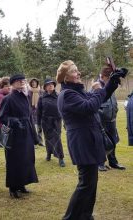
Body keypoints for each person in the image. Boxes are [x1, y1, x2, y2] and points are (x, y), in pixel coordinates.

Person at [56, 60, 126, 220]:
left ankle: (85, 215)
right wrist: (98, 90)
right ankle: (70, 217)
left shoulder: (76, 92)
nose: (78, 73)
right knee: (86, 183)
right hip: (82, 142)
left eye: (77, 70)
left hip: (88, 141)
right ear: (66, 78)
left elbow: (99, 98)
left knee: (90, 183)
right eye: (74, 71)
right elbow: (90, 106)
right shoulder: (67, 95)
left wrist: (113, 79)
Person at [0, 74, 38, 199]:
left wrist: (34, 133)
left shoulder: (26, 97)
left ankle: (22, 184)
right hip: (14, 135)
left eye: (23, 80)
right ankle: (13, 187)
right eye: (19, 81)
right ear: (12, 83)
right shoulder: (8, 98)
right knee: (14, 160)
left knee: (26, 159)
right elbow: (2, 117)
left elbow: (30, 116)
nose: (22, 82)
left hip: (26, 132)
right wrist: (14, 121)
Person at [97, 68, 125, 171]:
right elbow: (94, 104)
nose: (110, 80)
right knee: (102, 142)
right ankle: (100, 163)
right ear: (103, 77)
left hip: (112, 119)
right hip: (102, 120)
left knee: (113, 141)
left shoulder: (111, 85)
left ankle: (113, 162)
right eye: (109, 78)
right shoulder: (97, 87)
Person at [37, 78, 65, 167]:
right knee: (48, 139)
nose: (51, 85)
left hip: (56, 120)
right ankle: (49, 154)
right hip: (45, 121)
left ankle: (61, 158)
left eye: (52, 84)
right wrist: (38, 124)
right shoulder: (42, 97)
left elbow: (63, 109)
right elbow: (39, 111)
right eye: (48, 84)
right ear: (45, 87)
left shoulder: (58, 96)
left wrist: (65, 121)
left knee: (57, 139)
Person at [28, 78, 44, 146]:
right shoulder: (28, 92)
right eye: (32, 83)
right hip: (31, 111)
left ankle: (40, 141)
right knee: (32, 128)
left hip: (39, 111)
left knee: (39, 127)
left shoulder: (41, 91)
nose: (34, 83)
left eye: (35, 82)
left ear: (37, 83)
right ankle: (33, 142)